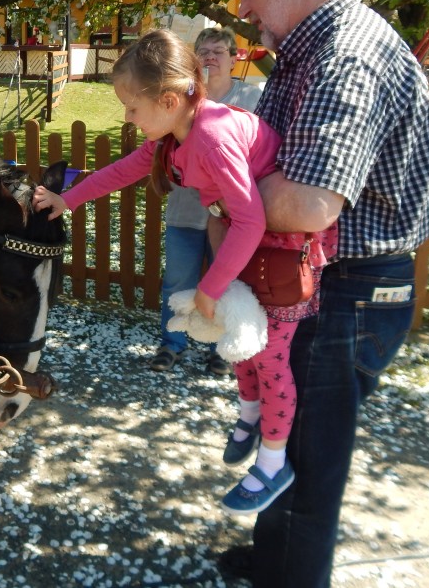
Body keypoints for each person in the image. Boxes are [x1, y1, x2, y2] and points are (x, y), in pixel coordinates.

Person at [220, 0, 429, 587]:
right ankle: (272, 559)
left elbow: (311, 202)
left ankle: (290, 576)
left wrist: (220, 197)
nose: (246, 11)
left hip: (347, 290)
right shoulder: (313, 45)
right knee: (288, 440)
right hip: (330, 283)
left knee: (311, 463)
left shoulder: (347, 53)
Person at [32, 29, 335, 515]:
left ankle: (275, 463)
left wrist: (210, 288)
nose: (127, 118)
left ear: (170, 99)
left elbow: (253, 217)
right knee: (239, 343)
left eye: (132, 107)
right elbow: (124, 170)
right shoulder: (179, 134)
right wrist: (66, 199)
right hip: (245, 248)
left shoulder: (212, 137)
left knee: (269, 355)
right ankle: (250, 415)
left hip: (278, 253)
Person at [153, 27, 262, 375]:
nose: (211, 56)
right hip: (184, 212)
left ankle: (222, 350)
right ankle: (172, 345)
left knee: (229, 282)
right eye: (204, 51)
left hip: (232, 218)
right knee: (177, 282)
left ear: (234, 57)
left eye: (219, 50)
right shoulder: (182, 99)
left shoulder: (252, 97)